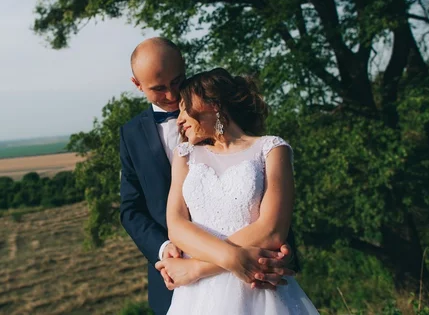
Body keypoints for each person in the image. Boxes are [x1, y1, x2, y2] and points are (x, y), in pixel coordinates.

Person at [119, 38, 298, 315]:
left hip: (259, 270)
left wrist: (261, 247)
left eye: (177, 82)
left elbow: (268, 200)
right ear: (137, 85)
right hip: (179, 278)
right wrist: (166, 249)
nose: (171, 95)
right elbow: (132, 210)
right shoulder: (131, 136)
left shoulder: (219, 103)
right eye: (159, 88)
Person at [158, 68, 319, 314]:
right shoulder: (185, 155)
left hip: (256, 291)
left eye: (184, 107)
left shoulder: (272, 149)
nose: (178, 119)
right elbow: (177, 225)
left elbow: (272, 230)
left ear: (212, 104)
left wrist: (197, 269)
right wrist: (230, 258)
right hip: (195, 299)